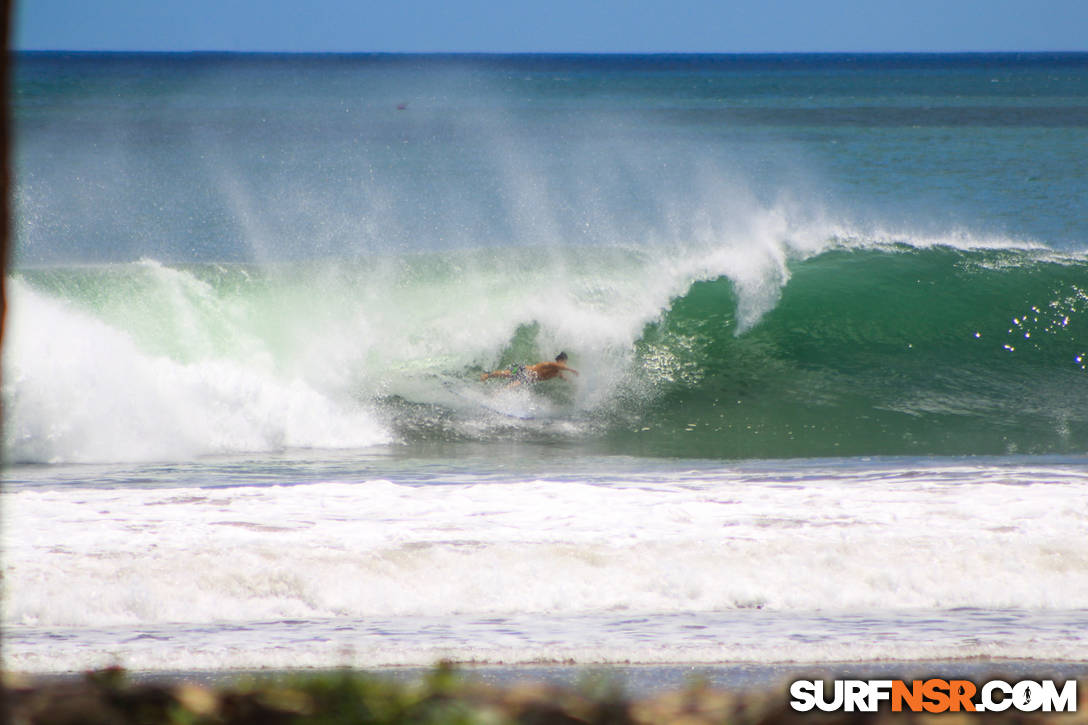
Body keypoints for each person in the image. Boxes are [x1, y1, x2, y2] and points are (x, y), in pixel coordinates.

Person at [480, 352, 579, 387]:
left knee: (511, 380)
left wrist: (572, 383)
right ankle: (487, 376)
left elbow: (562, 376)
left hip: (527, 375)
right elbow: (560, 367)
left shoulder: (557, 372)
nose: (564, 364)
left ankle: (496, 392)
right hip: (523, 370)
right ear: (561, 360)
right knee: (505, 374)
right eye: (564, 362)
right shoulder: (552, 364)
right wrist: (571, 370)